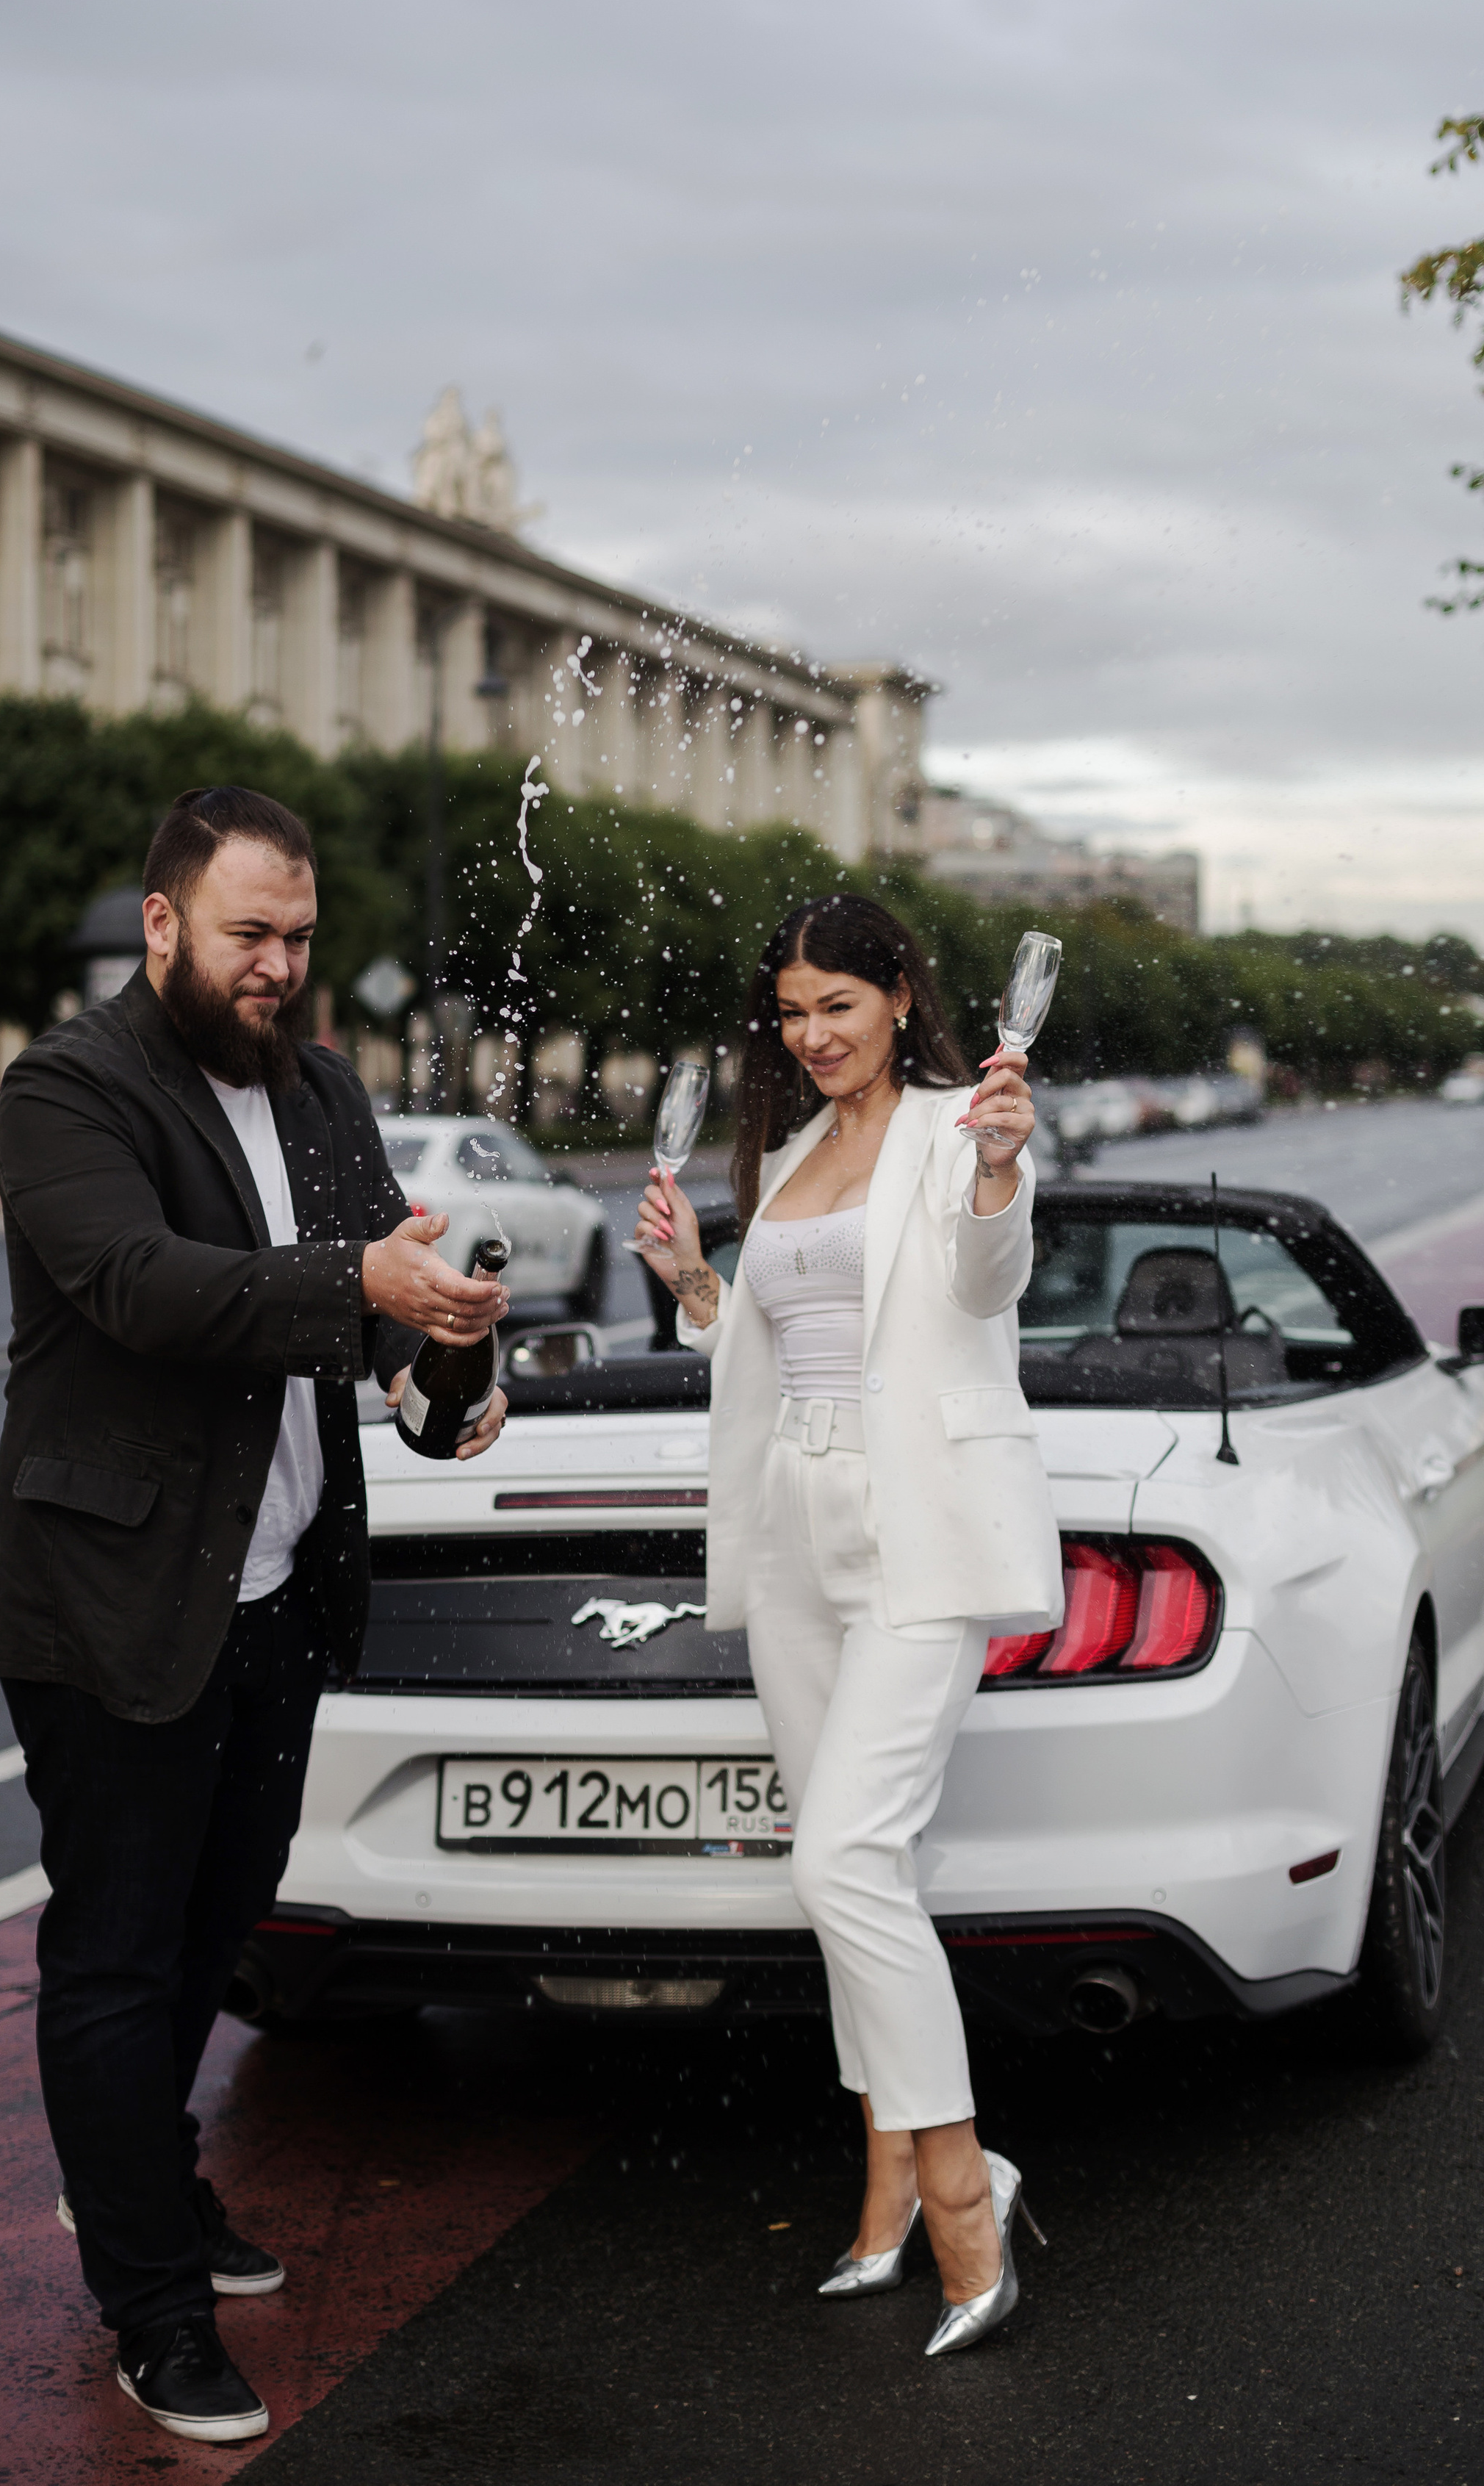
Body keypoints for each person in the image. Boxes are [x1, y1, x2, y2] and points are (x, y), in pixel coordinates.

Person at [0, 784, 511, 2446]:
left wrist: (443, 1356)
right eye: (247, 934)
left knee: (217, 1935)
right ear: (163, 923)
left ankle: (148, 2182)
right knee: (119, 1956)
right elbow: (143, 1288)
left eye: (300, 937)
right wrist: (359, 1286)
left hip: (278, 1588)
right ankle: (151, 2306)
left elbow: (375, 1302)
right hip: (112, 1602)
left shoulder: (323, 1088)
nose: (278, 965)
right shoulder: (68, 1088)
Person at [636, 892, 1062, 2358]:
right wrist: (698, 1285)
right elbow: (774, 1349)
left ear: (897, 998)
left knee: (844, 1858)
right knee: (839, 1884)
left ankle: (962, 2191)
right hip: (796, 1531)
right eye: (791, 1012)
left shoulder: (963, 1128)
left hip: (917, 1526)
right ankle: (883, 2171)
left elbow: (984, 1283)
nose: (812, 1035)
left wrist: (1000, 1172)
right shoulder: (790, 1154)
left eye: (837, 1006)